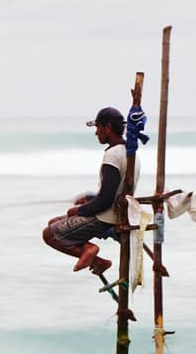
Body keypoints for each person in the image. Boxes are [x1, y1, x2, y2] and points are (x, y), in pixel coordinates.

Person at [42, 106, 136, 276]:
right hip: (114, 213)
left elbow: (106, 199)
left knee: (49, 234)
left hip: (104, 218)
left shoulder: (113, 156)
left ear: (107, 127)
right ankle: (96, 258)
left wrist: (79, 210)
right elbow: (115, 191)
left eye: (98, 128)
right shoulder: (128, 153)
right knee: (53, 222)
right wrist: (90, 198)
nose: (96, 133)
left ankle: (92, 251)